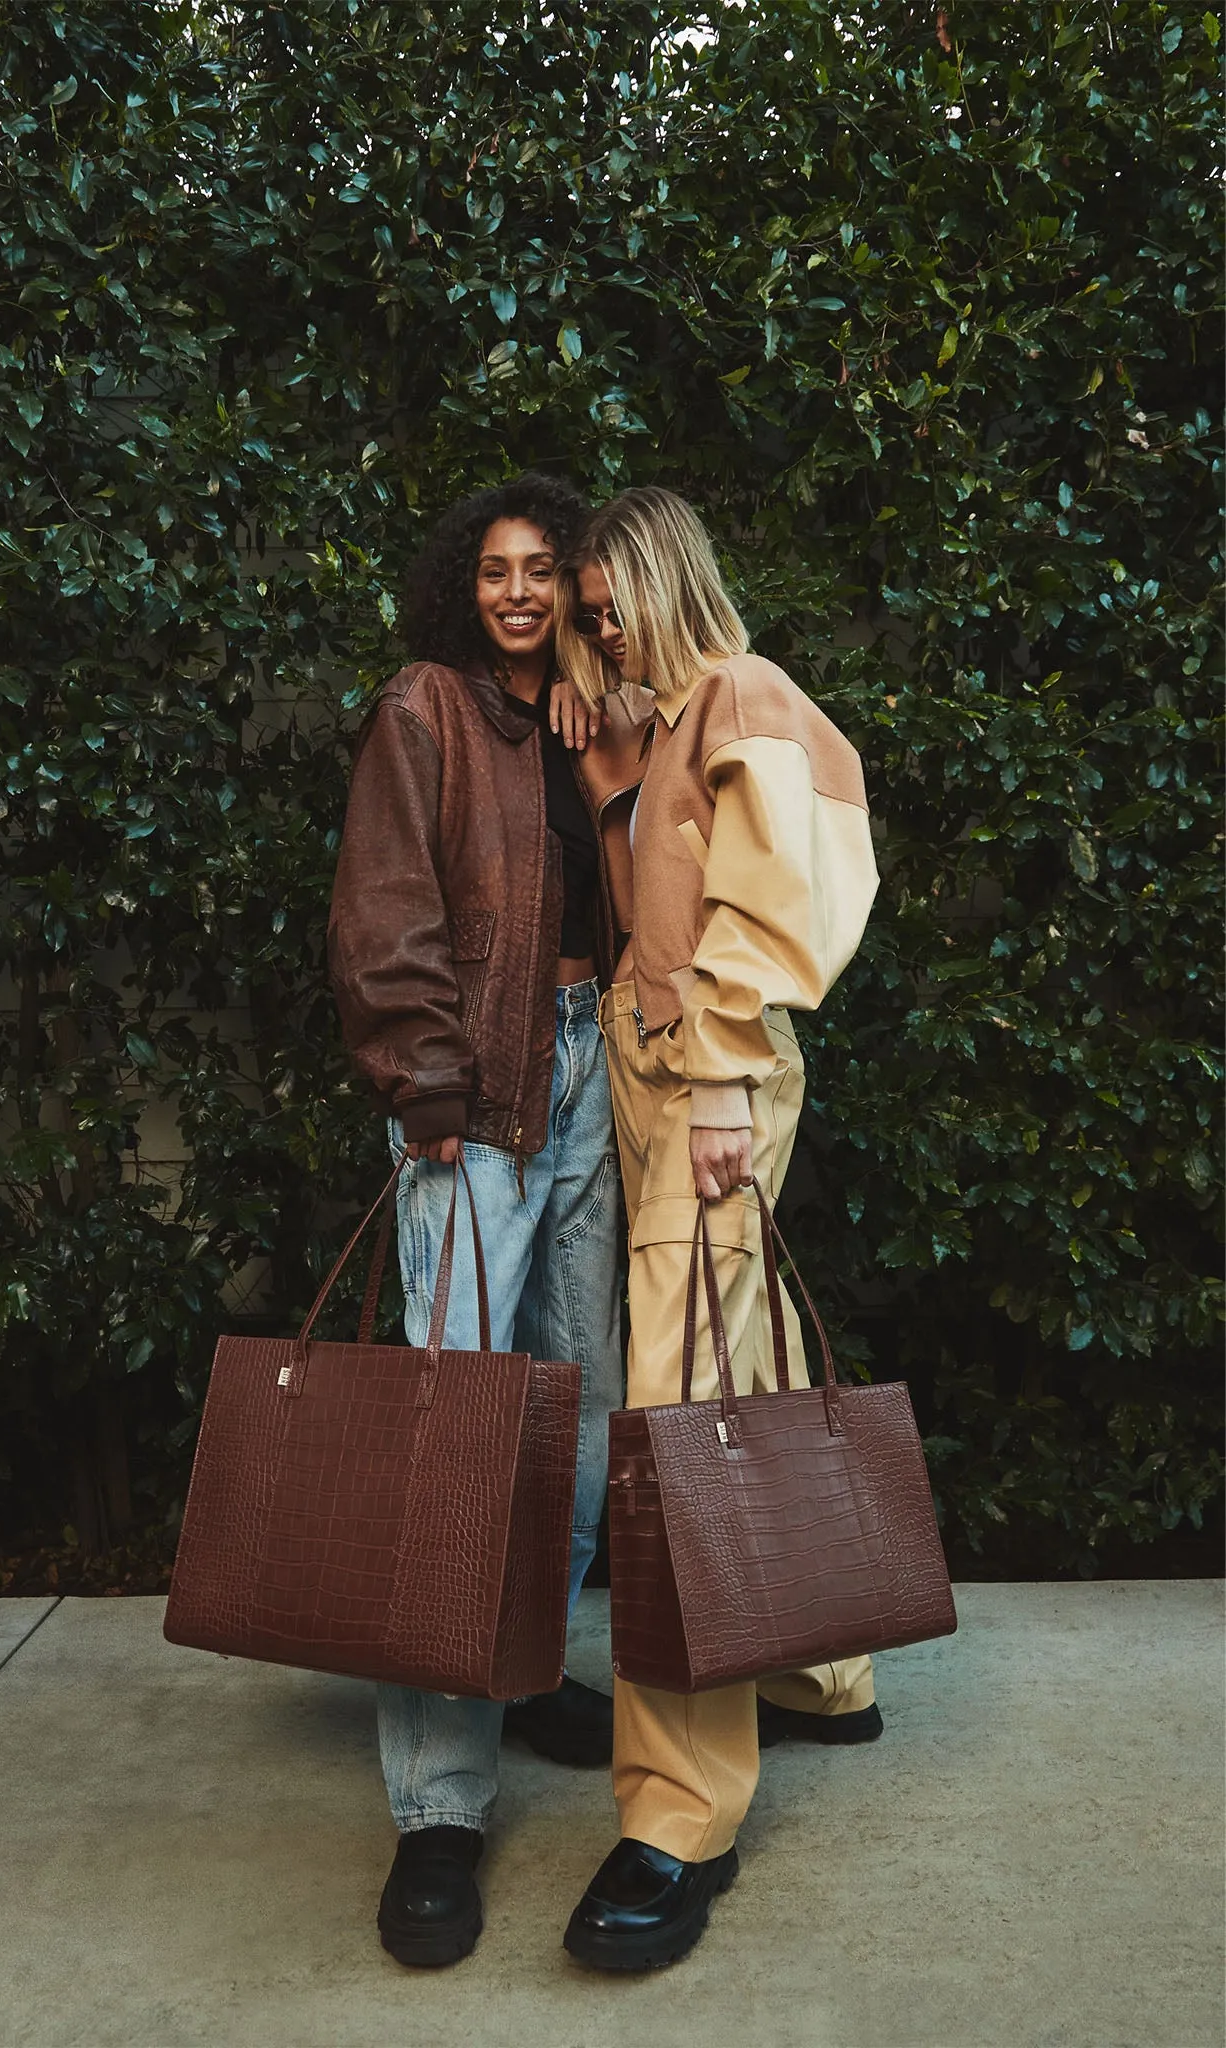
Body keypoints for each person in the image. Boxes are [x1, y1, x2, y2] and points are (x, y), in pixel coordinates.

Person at [552, 486, 882, 1971]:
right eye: (582, 601)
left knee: (675, 1412)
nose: (595, 616)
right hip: (650, 1056)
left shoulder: (745, 694)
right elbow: (655, 895)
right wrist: (605, 746)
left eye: (610, 594)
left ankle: (677, 1814)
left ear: (671, 576)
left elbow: (788, 899)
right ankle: (817, 1664)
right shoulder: (659, 719)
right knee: (732, 1365)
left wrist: (732, 1067)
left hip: (708, 1073)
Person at [326, 473, 648, 1968]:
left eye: (544, 573)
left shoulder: (581, 719)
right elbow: (386, 907)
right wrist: (425, 1087)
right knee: (455, 1442)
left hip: (592, 1080)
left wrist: (610, 736)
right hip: (472, 1102)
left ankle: (518, 1668)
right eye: (498, 571)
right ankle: (440, 1803)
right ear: (464, 584)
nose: (519, 592)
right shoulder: (426, 710)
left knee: (571, 1416)